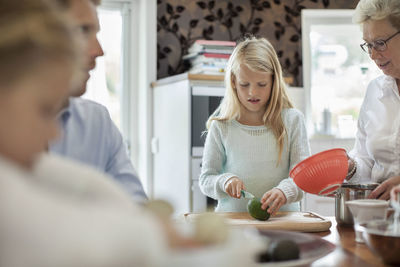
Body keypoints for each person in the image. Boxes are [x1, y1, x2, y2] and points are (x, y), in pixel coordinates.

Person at [0, 1, 191, 266]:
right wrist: (150, 235)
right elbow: (43, 233)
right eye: (82, 30)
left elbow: (70, 179)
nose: (53, 134)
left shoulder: (96, 123)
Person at [48, 0, 147, 203]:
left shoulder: (98, 122)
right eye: (83, 30)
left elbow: (135, 208)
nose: (99, 50)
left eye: (96, 33)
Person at [199, 36, 310, 215]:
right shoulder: (221, 126)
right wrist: (224, 181)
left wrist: (284, 191)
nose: (253, 92)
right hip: (233, 224)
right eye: (244, 84)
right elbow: (206, 179)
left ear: (274, 81)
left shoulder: (293, 120)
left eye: (262, 84)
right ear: (234, 82)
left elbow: (304, 177)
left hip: (284, 222)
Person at [346, 0, 400, 200]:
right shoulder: (374, 91)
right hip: (380, 220)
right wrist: (351, 167)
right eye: (368, 45)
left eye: (380, 43)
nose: (373, 55)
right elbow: (366, 161)